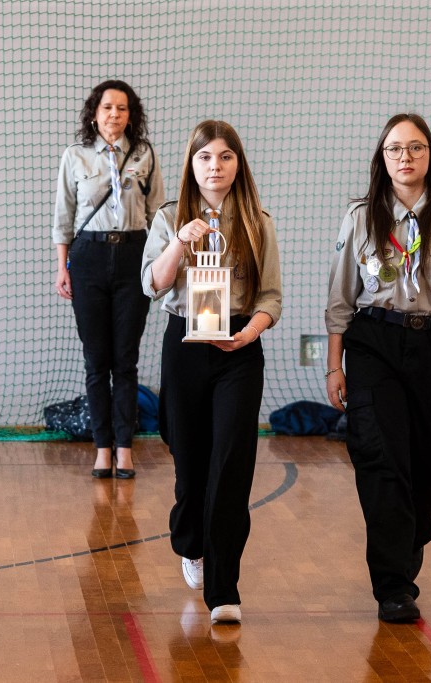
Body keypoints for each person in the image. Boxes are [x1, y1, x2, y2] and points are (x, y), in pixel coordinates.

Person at [324, 113, 431, 623]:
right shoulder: (361, 216)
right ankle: (393, 586)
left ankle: (407, 545)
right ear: (382, 158)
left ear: (430, 155)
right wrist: (333, 366)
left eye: (415, 147)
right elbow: (340, 298)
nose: (405, 157)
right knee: (382, 460)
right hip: (373, 343)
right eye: (394, 148)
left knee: (428, 473)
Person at [141, 120, 282, 624]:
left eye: (225, 157)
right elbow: (152, 284)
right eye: (205, 157)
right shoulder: (168, 216)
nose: (215, 166)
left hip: (238, 349)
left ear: (237, 164)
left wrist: (248, 334)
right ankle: (190, 542)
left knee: (231, 463)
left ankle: (225, 588)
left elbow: (271, 297)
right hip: (185, 345)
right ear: (191, 164)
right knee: (190, 460)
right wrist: (179, 241)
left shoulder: (258, 222)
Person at [53, 80, 165, 478]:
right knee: (97, 360)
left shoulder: (144, 154)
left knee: (126, 359)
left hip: (134, 255)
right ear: (94, 114)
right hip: (88, 258)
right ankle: (102, 448)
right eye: (107, 108)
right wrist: (62, 267)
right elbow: (63, 218)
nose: (114, 114)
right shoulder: (76, 155)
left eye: (122, 108)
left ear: (131, 115)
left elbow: (158, 215)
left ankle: (124, 449)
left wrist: (158, 266)